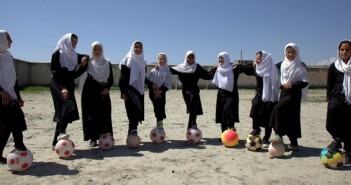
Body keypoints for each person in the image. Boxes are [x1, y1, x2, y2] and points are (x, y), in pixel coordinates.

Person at [50, 33, 88, 150]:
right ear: (65, 41)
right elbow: (54, 72)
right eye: (72, 42)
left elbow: (85, 60)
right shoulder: (57, 54)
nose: (74, 44)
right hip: (58, 84)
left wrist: (83, 61)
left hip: (69, 85)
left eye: (76, 42)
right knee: (67, 105)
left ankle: (55, 141)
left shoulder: (74, 55)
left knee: (63, 112)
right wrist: (63, 88)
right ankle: (61, 131)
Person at [269, 43, 309, 151]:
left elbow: (305, 82)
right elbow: (270, 67)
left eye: (293, 52)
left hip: (294, 95)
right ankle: (293, 144)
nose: (290, 54)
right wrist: (256, 64)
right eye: (288, 52)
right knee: (287, 116)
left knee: (282, 110)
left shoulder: (300, 66)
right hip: (284, 93)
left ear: (297, 53)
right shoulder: (282, 64)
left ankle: (278, 135)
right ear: (285, 52)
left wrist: (292, 85)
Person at [0, 30, 28, 164]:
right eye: (8, 38)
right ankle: (19, 143)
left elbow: (13, 79)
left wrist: (18, 96)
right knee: (15, 118)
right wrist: (1, 91)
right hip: (2, 97)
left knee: (6, 126)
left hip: (11, 95)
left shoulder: (8, 57)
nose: (11, 41)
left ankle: (17, 144)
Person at [79, 41, 114, 147]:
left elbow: (111, 79)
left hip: (103, 92)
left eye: (99, 49)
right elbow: (79, 71)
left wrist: (107, 88)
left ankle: (104, 136)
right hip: (90, 93)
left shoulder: (107, 63)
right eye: (95, 49)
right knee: (92, 115)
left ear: (102, 50)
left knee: (104, 114)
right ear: (92, 50)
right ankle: (93, 138)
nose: (97, 51)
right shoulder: (89, 62)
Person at [170, 50, 215, 130]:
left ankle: (191, 126)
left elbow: (206, 76)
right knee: (192, 104)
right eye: (189, 57)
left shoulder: (197, 67)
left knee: (194, 108)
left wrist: (214, 70)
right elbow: (169, 70)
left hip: (195, 90)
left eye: (192, 57)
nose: (190, 58)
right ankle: (193, 123)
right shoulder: (181, 67)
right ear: (186, 57)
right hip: (186, 90)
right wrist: (160, 67)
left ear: (194, 58)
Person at [246, 51, 280, 148]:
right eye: (256, 58)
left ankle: (266, 138)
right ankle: (256, 129)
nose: (257, 60)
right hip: (259, 94)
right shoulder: (256, 68)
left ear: (265, 59)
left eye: (259, 58)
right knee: (255, 105)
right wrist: (236, 66)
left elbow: (285, 63)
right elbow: (244, 69)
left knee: (268, 116)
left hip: (270, 96)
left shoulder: (273, 68)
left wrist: (301, 63)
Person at [212, 52, 250, 136]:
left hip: (231, 94)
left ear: (226, 59)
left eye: (222, 58)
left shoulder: (234, 68)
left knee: (229, 109)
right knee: (222, 114)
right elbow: (207, 75)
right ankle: (224, 134)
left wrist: (240, 65)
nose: (220, 60)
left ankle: (231, 128)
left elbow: (246, 69)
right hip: (221, 95)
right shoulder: (217, 69)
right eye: (219, 58)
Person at [325, 39, 351, 164]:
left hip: (350, 99)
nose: (344, 52)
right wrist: (328, 98)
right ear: (339, 51)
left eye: (347, 50)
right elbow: (329, 84)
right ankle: (337, 138)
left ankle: (349, 151)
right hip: (337, 95)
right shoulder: (334, 66)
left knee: (348, 123)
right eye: (342, 50)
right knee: (332, 110)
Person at [119, 41, 147, 136]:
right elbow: (122, 77)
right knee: (134, 108)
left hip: (140, 89)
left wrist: (152, 85)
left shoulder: (143, 62)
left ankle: (132, 131)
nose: (138, 49)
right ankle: (133, 129)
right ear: (133, 48)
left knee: (136, 110)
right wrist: (123, 92)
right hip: (129, 89)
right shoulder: (127, 60)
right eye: (136, 47)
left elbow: (143, 77)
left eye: (140, 47)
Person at [147, 53, 172, 130]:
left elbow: (168, 85)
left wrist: (160, 91)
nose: (162, 60)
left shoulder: (168, 71)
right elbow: (149, 83)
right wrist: (155, 91)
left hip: (162, 92)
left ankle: (159, 124)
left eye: (164, 59)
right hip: (153, 92)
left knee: (161, 106)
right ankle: (159, 124)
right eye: (160, 59)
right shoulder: (153, 71)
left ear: (166, 60)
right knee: (157, 107)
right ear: (158, 60)